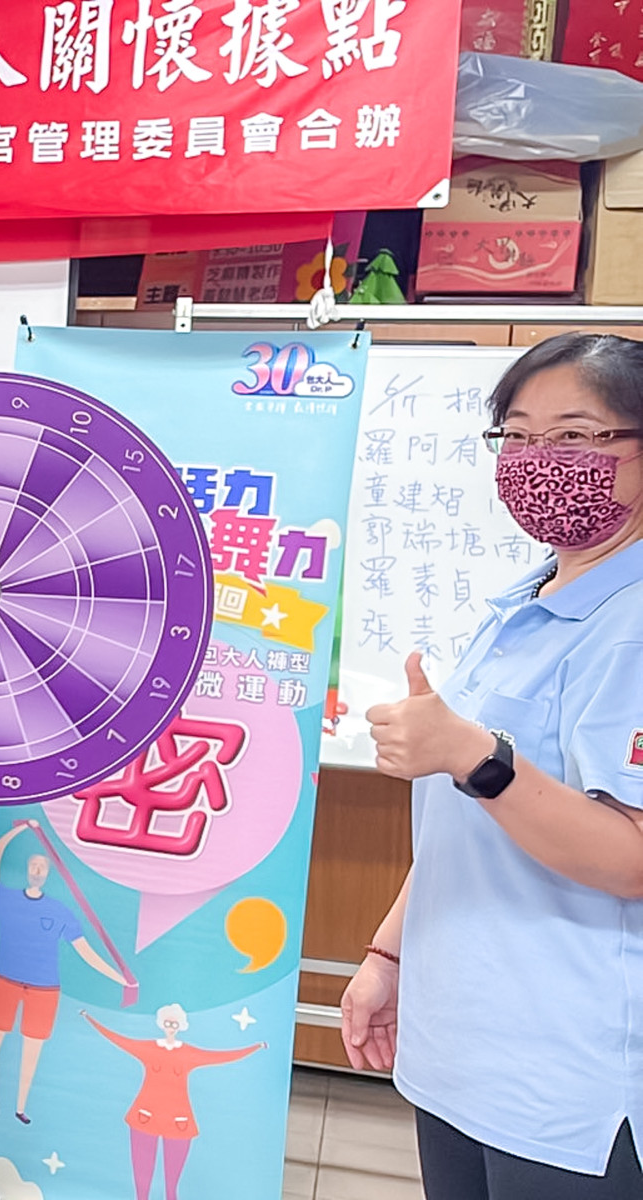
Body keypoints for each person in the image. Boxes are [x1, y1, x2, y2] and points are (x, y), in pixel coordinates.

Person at [345, 331, 643, 1199]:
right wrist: (388, 953)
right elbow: (466, 815)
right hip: (458, 1046)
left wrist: (474, 756)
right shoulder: (528, 598)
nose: (538, 459)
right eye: (516, 435)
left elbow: (632, 858)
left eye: (576, 435)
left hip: (568, 1080)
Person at [0, 821, 130, 1124]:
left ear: (49, 873)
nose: (37, 870)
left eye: (43, 866)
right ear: (26, 869)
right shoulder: (6, 898)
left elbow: (86, 952)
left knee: (31, 1053)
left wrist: (120, 979)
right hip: (4, 981)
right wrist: (19, 829)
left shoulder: (61, 911)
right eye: (33, 864)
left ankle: (20, 1109)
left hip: (44, 989)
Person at [84, 1006, 263, 1200]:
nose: (170, 1027)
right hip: (145, 1115)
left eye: (174, 1024)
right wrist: (89, 1018)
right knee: (142, 1181)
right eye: (167, 1023)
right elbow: (120, 1040)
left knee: (172, 1186)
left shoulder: (188, 1053)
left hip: (178, 1121)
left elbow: (218, 1057)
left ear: (181, 1026)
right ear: (161, 1024)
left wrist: (255, 1047)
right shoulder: (149, 1048)